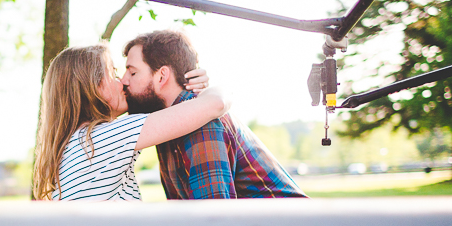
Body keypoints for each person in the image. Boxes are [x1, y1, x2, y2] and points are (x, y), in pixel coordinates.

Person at [121, 30, 306, 200]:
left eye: (133, 72)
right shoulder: (165, 123)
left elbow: (214, 221)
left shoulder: (200, 121)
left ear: (161, 76)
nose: (123, 80)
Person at [33, 43, 230, 201]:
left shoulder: (75, 145)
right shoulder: (102, 138)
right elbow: (217, 103)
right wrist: (208, 89)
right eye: (113, 73)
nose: (123, 82)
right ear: (92, 86)